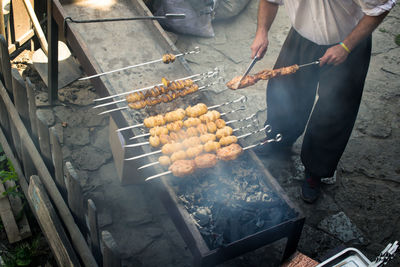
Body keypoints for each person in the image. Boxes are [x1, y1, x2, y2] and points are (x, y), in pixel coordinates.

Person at [250, 0, 396, 203]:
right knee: (284, 91)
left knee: (335, 111)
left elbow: (380, 8)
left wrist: (346, 46)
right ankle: (278, 139)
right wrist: (262, 31)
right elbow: (269, 0)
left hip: (347, 43)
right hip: (301, 36)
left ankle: (315, 170)